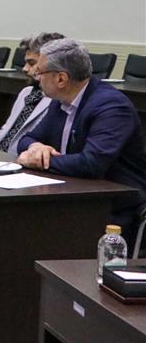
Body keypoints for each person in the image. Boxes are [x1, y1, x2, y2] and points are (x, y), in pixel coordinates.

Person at [16, 38, 146, 231]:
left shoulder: (111, 106)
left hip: (114, 208)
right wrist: (36, 147)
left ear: (61, 79)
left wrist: (39, 161)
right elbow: (27, 139)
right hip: (74, 194)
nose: (36, 77)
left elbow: (91, 164)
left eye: (40, 72)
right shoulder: (60, 100)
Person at [0, 32, 63, 152]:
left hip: (21, 159)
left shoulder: (60, 101)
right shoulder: (27, 92)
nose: (24, 69)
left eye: (32, 63)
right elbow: (5, 134)